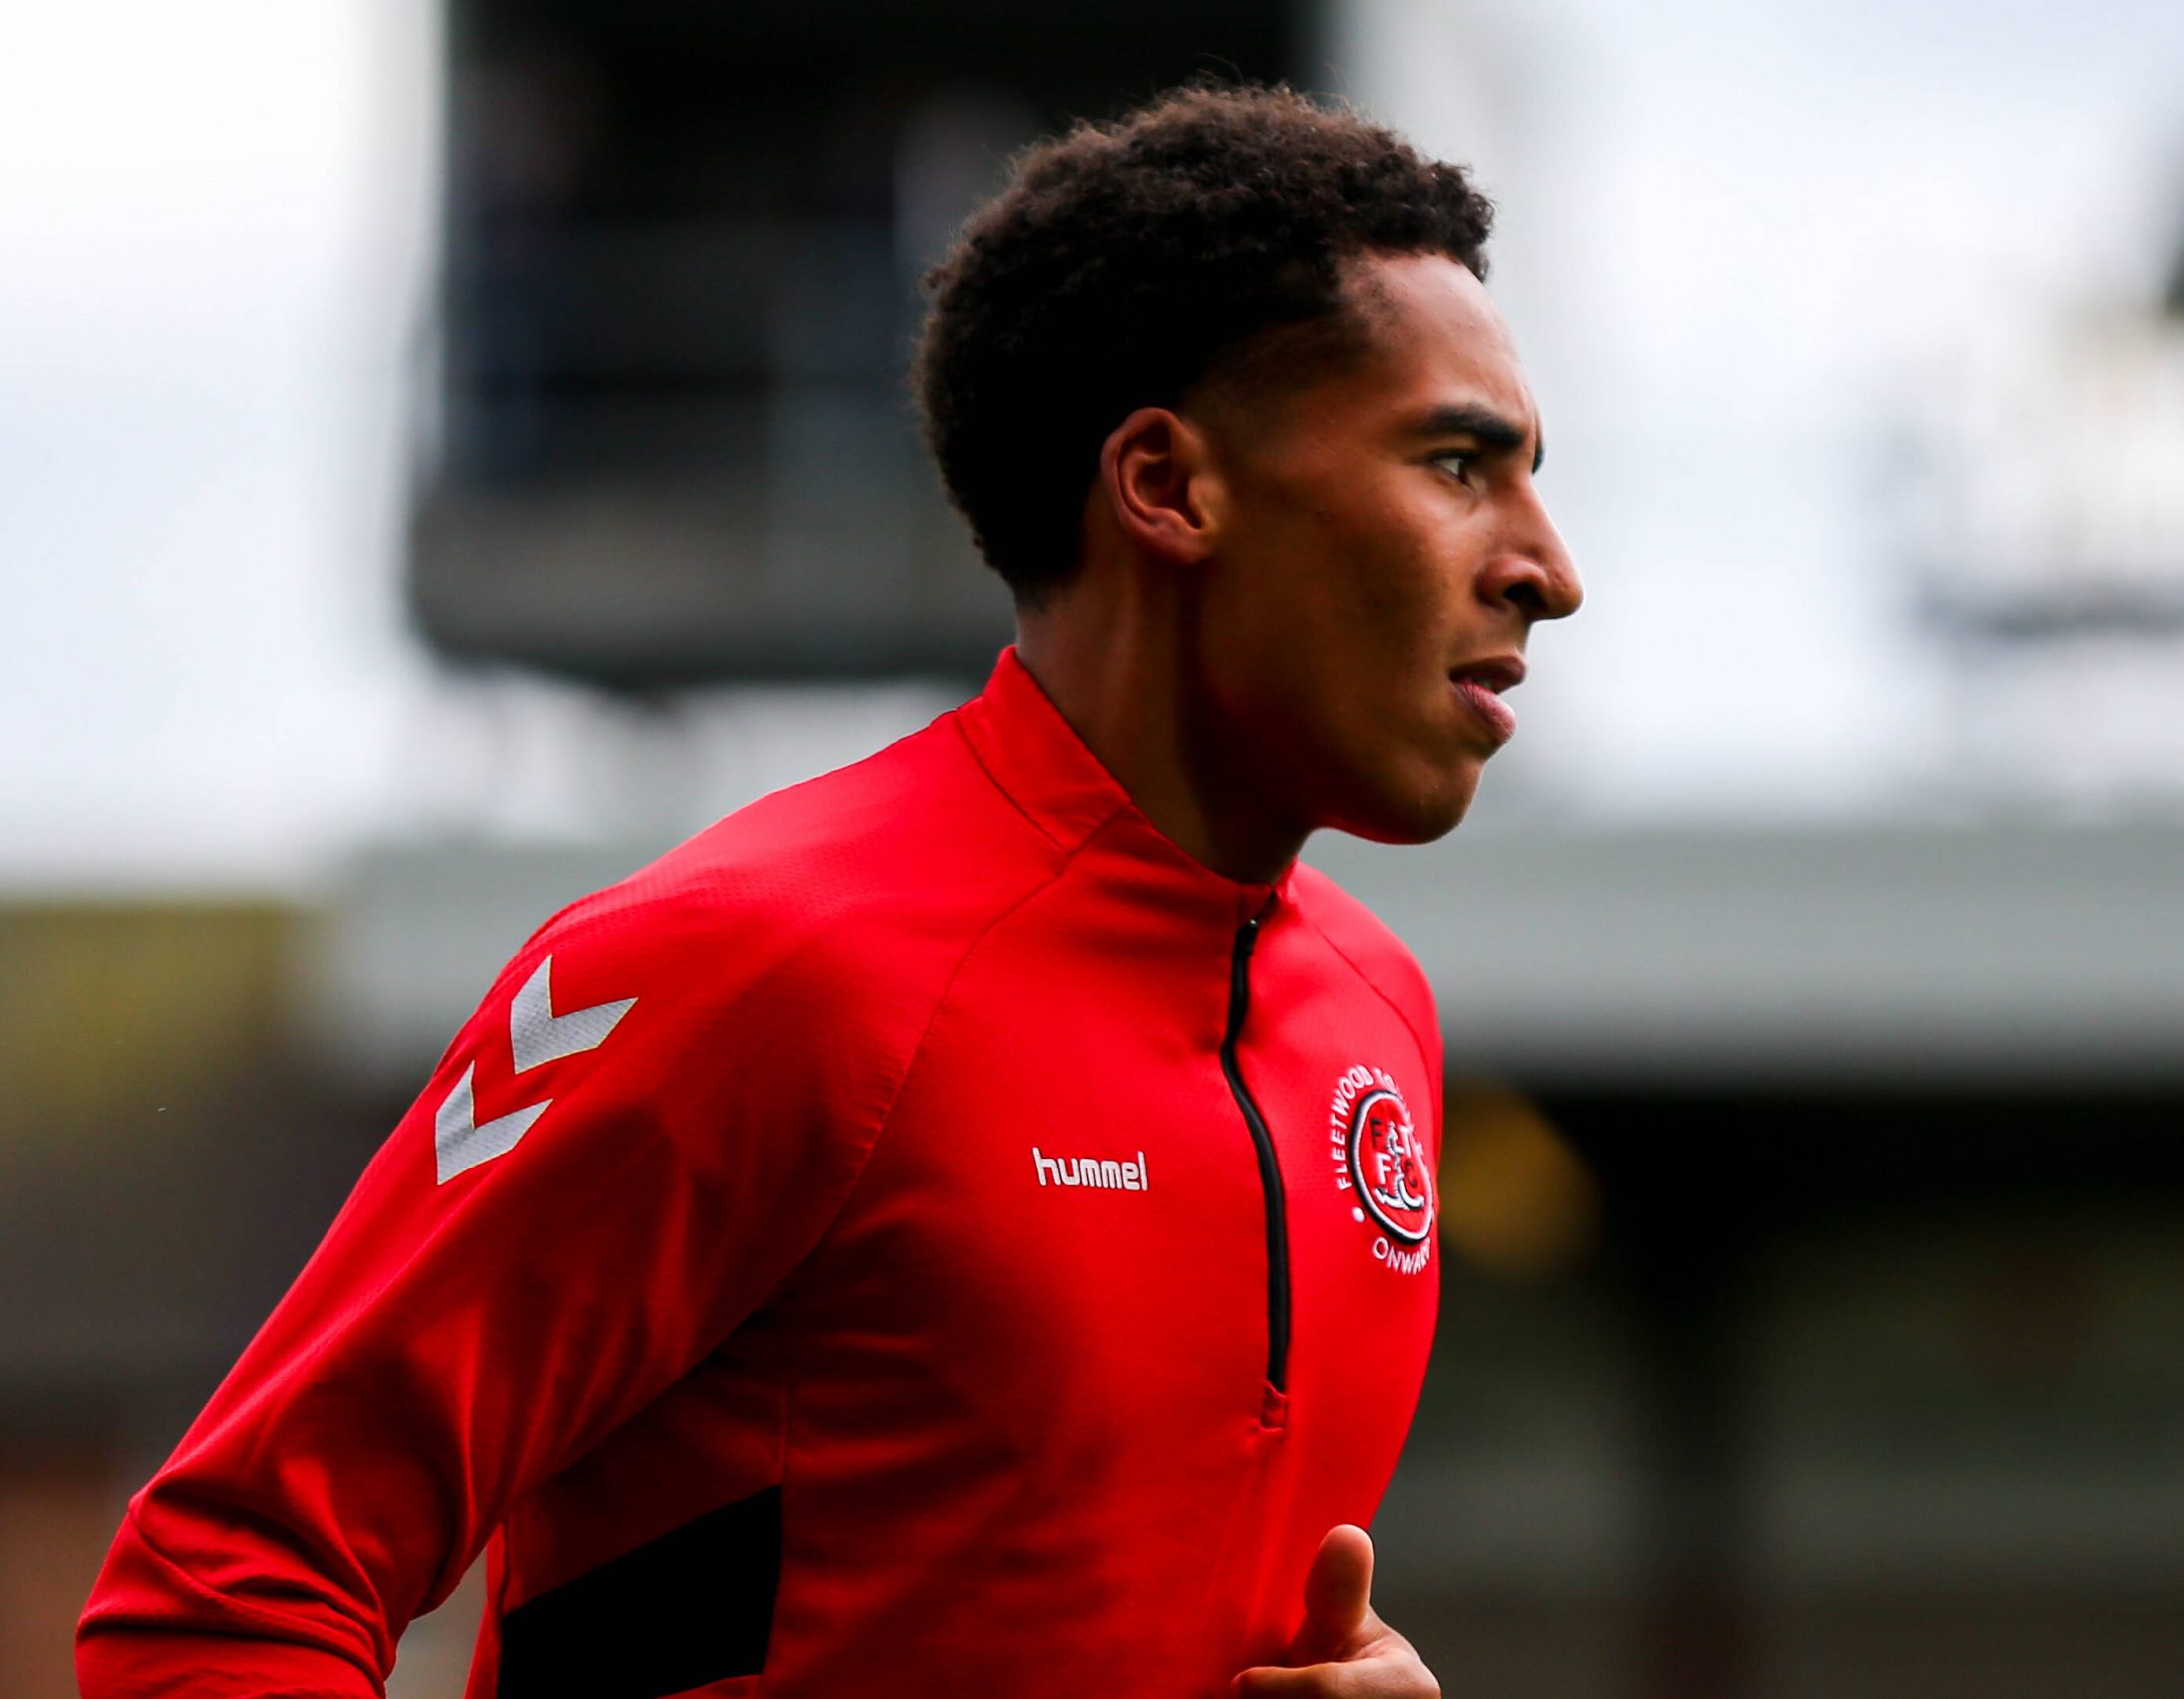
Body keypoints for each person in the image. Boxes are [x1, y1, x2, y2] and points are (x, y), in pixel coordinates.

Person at [78, 81, 1579, 1699]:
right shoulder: (759, 967)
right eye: (1454, 464)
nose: (1548, 568)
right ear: (1168, 487)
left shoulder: (1377, 1019)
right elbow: (222, 1589)